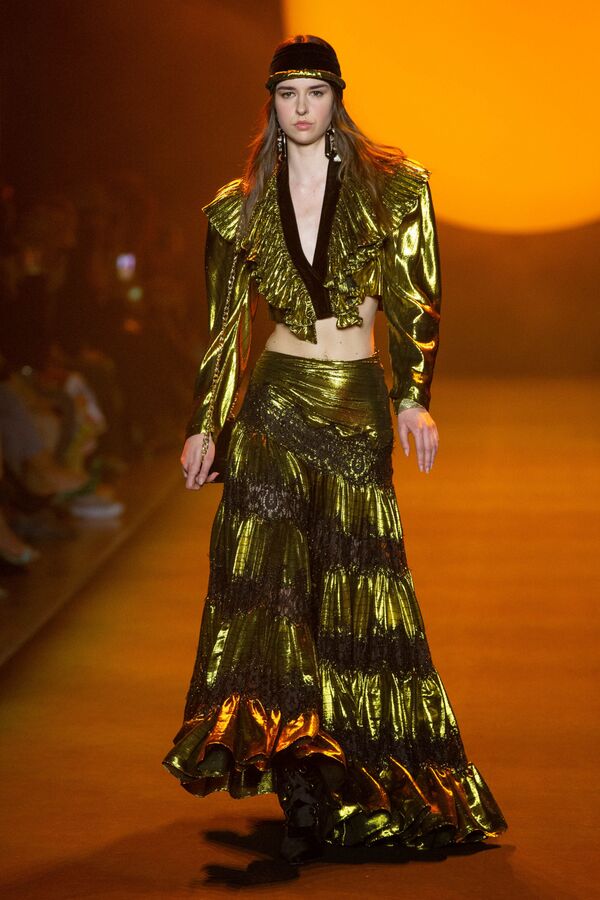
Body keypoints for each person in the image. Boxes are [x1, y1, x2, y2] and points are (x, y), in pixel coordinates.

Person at [162, 34, 508, 865]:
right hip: (274, 405)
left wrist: (414, 396)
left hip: (354, 406)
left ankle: (366, 773)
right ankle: (303, 783)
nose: (303, 107)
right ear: (272, 105)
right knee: (276, 593)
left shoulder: (394, 189)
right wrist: (206, 423)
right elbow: (222, 331)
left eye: (315, 92)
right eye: (288, 94)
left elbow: (416, 298)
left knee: (358, 589)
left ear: (337, 98)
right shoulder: (237, 206)